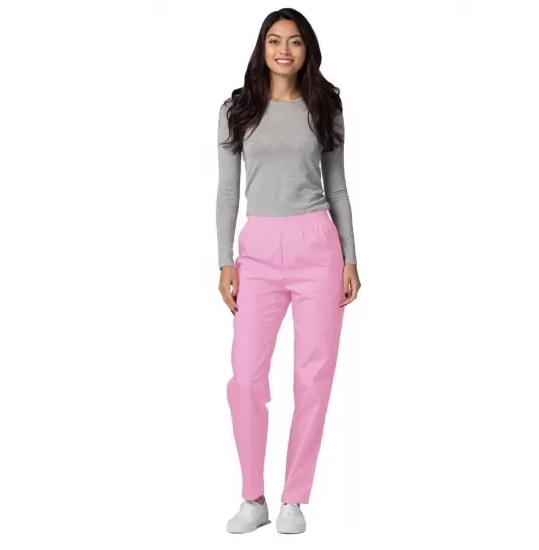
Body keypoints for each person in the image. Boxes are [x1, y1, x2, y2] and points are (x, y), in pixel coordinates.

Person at [216, 8, 361, 535]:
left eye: (294, 42)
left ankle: (294, 499)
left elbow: (337, 185)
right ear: (262, 47)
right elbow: (227, 190)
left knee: (313, 379)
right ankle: (252, 497)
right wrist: (224, 261)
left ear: (306, 50)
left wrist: (350, 256)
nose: (284, 50)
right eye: (274, 41)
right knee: (246, 378)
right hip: (257, 248)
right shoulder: (237, 108)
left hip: (317, 246)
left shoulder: (325, 105)